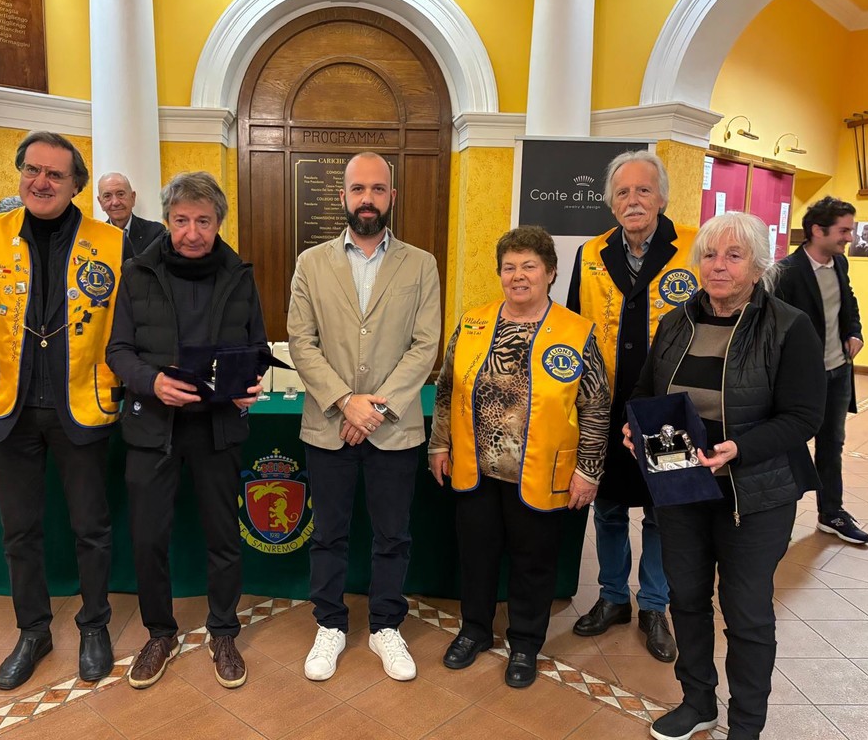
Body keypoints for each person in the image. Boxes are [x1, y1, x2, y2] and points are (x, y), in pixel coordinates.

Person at [626, 212, 824, 740]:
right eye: (710, 255)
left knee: (747, 611)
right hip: (681, 485)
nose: (719, 266)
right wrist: (634, 427)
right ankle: (698, 702)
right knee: (687, 597)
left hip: (755, 494)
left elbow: (804, 417)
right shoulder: (676, 322)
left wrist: (739, 449)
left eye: (734, 256)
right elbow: (646, 391)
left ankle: (747, 725)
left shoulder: (789, 327)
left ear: (758, 266)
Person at [0, 130, 128, 690]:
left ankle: (94, 626)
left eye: (55, 173)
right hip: (9, 409)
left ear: (76, 184)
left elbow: (123, 327)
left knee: (91, 529)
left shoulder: (111, 243)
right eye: (32, 169)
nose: (41, 181)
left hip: (81, 403)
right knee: (20, 532)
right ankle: (33, 631)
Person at [428, 226, 609, 688]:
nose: (518, 275)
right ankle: (474, 630)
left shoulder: (576, 332)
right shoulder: (474, 322)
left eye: (529, 266)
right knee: (477, 555)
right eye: (509, 267)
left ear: (550, 272)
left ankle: (525, 643)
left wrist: (589, 470)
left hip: (543, 471)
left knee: (533, 562)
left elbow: (595, 406)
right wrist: (440, 443)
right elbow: (447, 387)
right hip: (476, 469)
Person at [106, 171, 265, 690]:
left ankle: (223, 632)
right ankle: (160, 634)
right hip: (154, 426)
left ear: (218, 223)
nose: (191, 232)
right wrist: (152, 382)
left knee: (224, 537)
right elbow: (117, 351)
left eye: (203, 221)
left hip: (217, 428)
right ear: (167, 220)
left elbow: (256, 347)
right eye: (180, 221)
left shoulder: (239, 274)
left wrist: (250, 383)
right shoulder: (137, 272)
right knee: (149, 538)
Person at [287, 151, 441, 682]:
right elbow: (301, 342)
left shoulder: (421, 264)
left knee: (393, 535)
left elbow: (425, 346)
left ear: (391, 197)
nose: (367, 199)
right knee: (328, 534)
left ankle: (385, 627)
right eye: (358, 189)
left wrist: (373, 408)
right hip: (328, 424)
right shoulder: (311, 263)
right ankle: (329, 624)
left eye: (377, 189)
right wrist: (344, 400)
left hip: (393, 428)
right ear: (343, 197)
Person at [567, 150, 694, 662]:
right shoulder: (590, 253)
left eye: (644, 190)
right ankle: (614, 597)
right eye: (623, 192)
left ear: (662, 197)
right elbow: (573, 325)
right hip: (607, 403)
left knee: (664, 509)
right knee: (609, 505)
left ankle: (655, 606)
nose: (633, 200)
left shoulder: (693, 247)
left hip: (669, 407)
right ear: (611, 202)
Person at [774, 196, 868, 544]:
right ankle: (774, 516)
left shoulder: (839, 263)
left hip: (838, 372)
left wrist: (855, 332)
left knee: (832, 444)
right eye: (844, 230)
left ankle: (832, 512)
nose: (849, 238)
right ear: (817, 230)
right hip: (801, 380)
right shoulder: (787, 273)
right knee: (789, 445)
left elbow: (849, 302)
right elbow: (775, 330)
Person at [97, 171, 166, 255]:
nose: (115, 202)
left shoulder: (155, 232)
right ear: (100, 202)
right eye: (107, 196)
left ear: (133, 197)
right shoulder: (95, 237)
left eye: (120, 194)